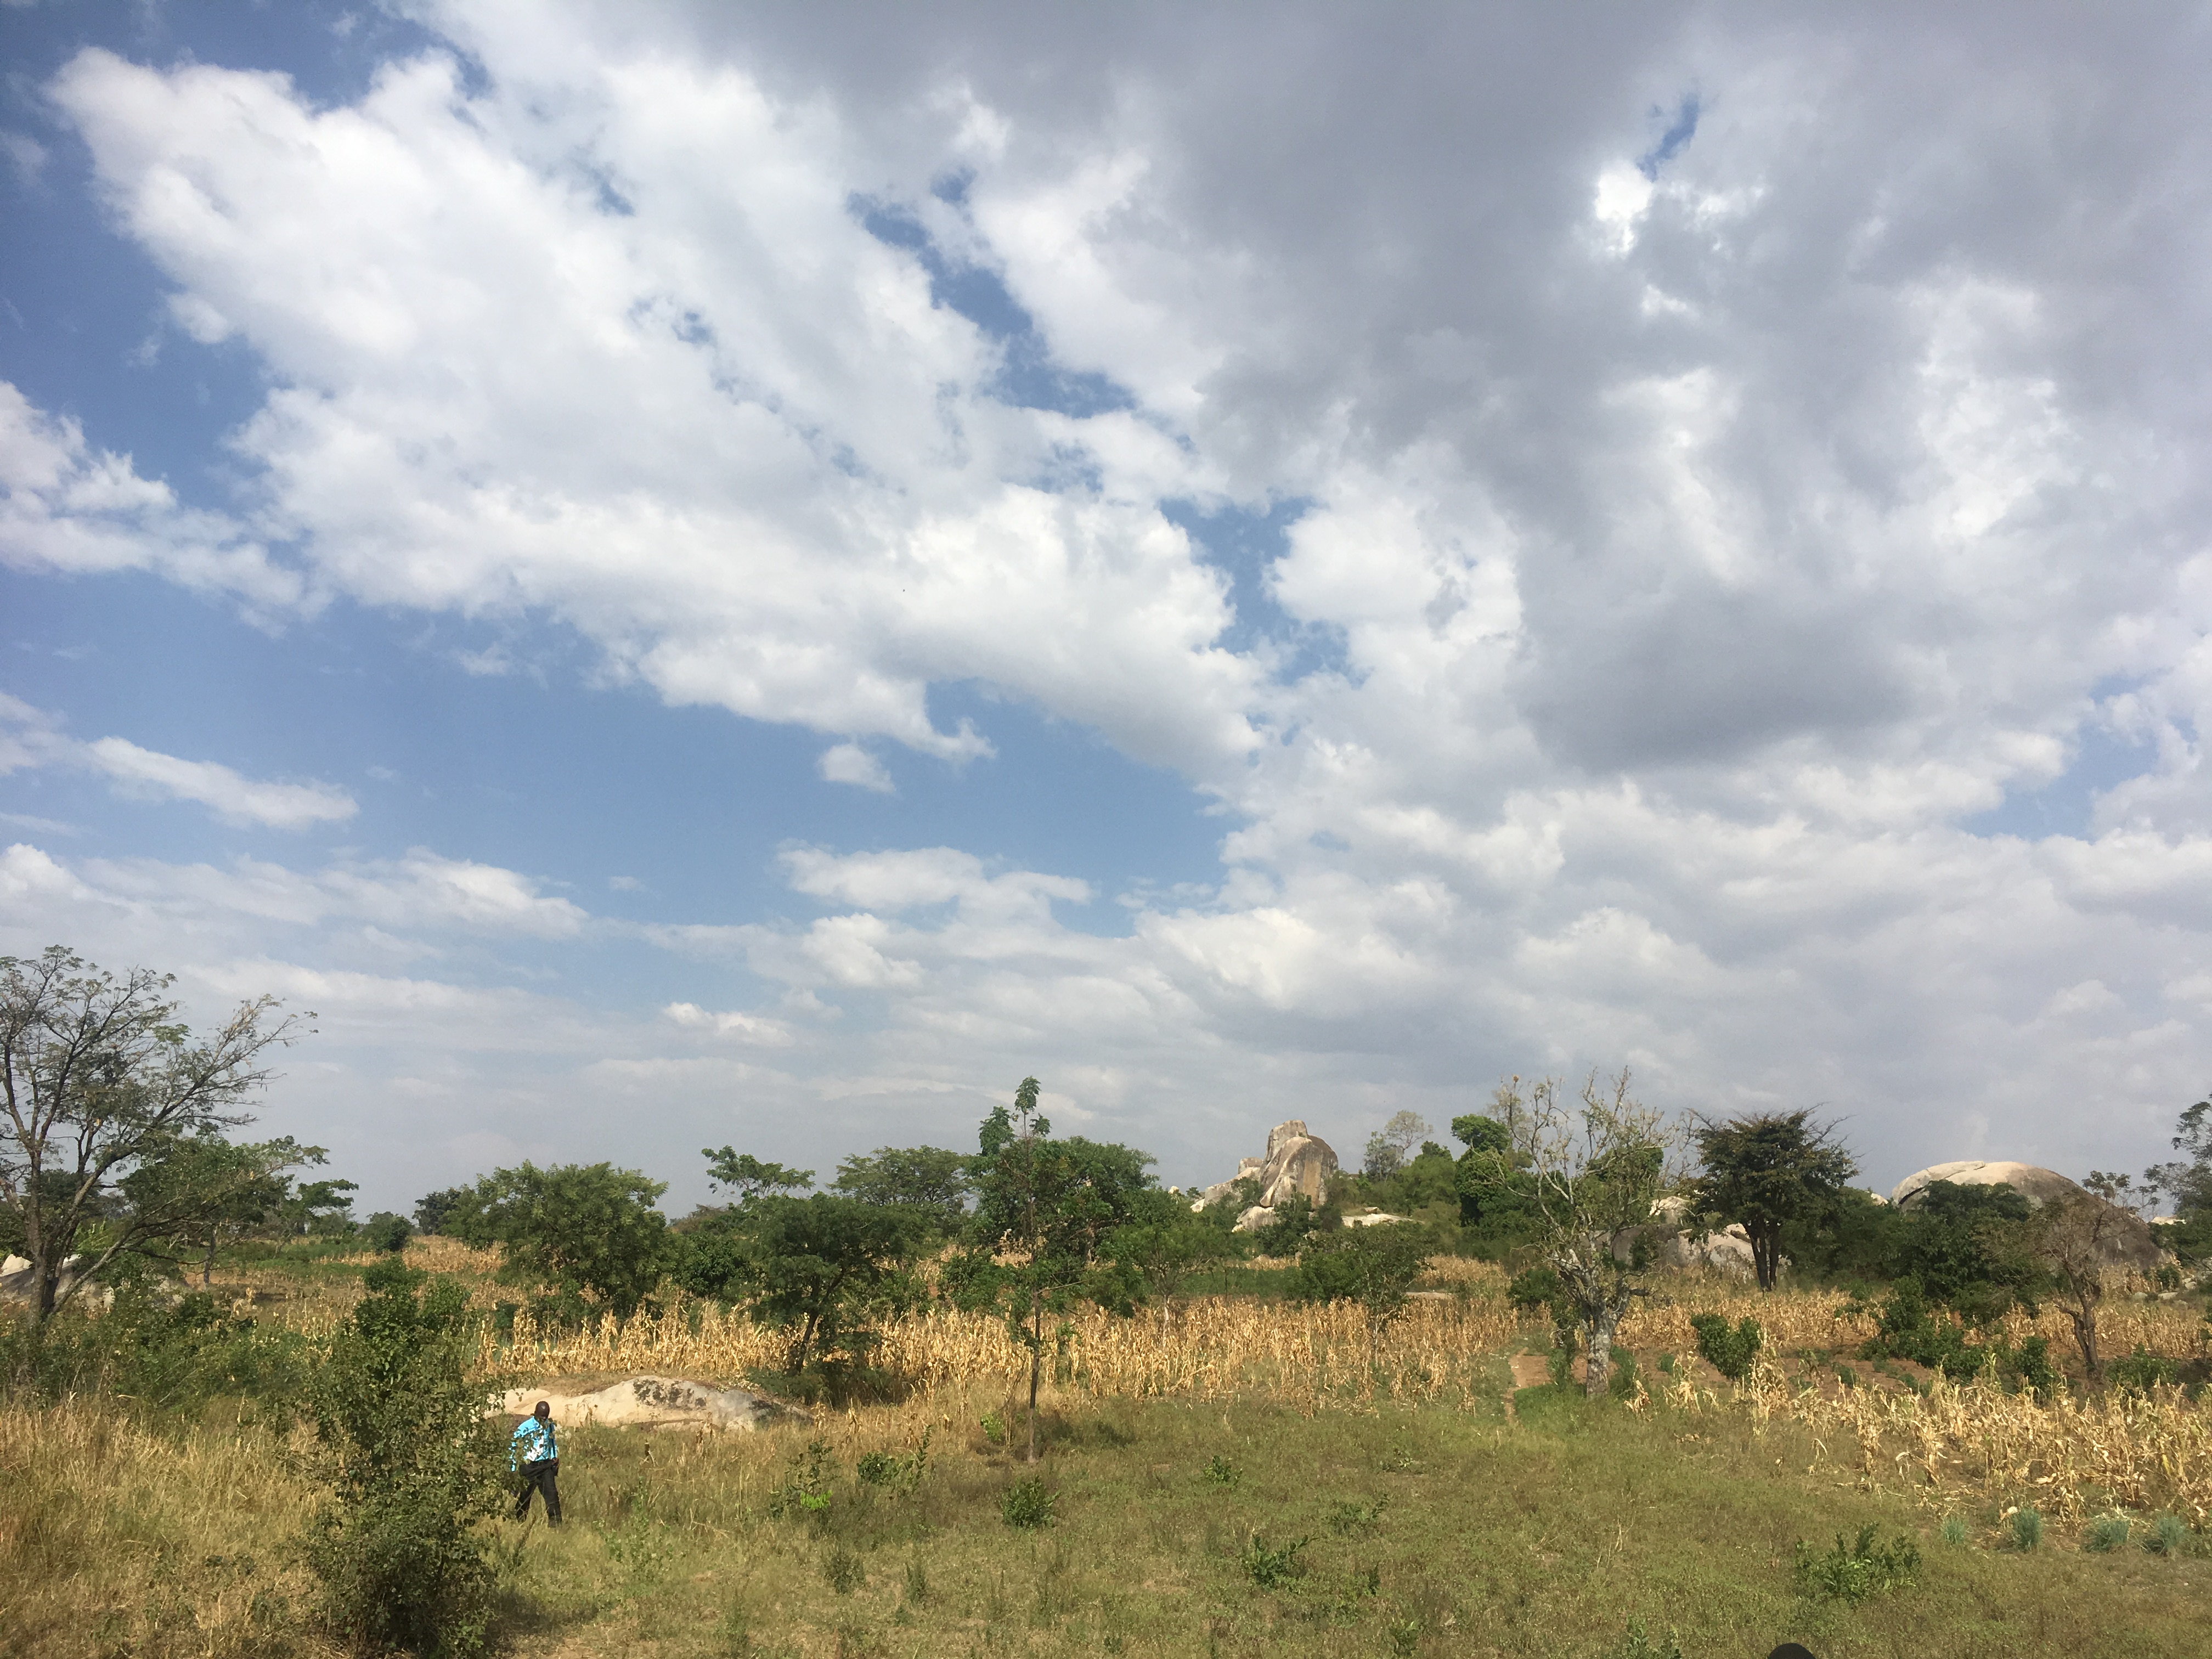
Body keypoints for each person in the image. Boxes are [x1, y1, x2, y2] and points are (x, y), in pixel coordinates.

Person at [510, 1399, 562, 1524]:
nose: (543, 1420)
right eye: (541, 1417)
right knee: (525, 1496)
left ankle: (555, 1524)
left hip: (545, 1465)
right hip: (529, 1466)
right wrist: (513, 1469)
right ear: (535, 1414)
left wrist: (554, 1456)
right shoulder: (525, 1427)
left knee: (552, 1495)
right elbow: (514, 1446)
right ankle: (519, 1522)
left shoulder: (549, 1425)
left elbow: (552, 1442)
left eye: (546, 1417)